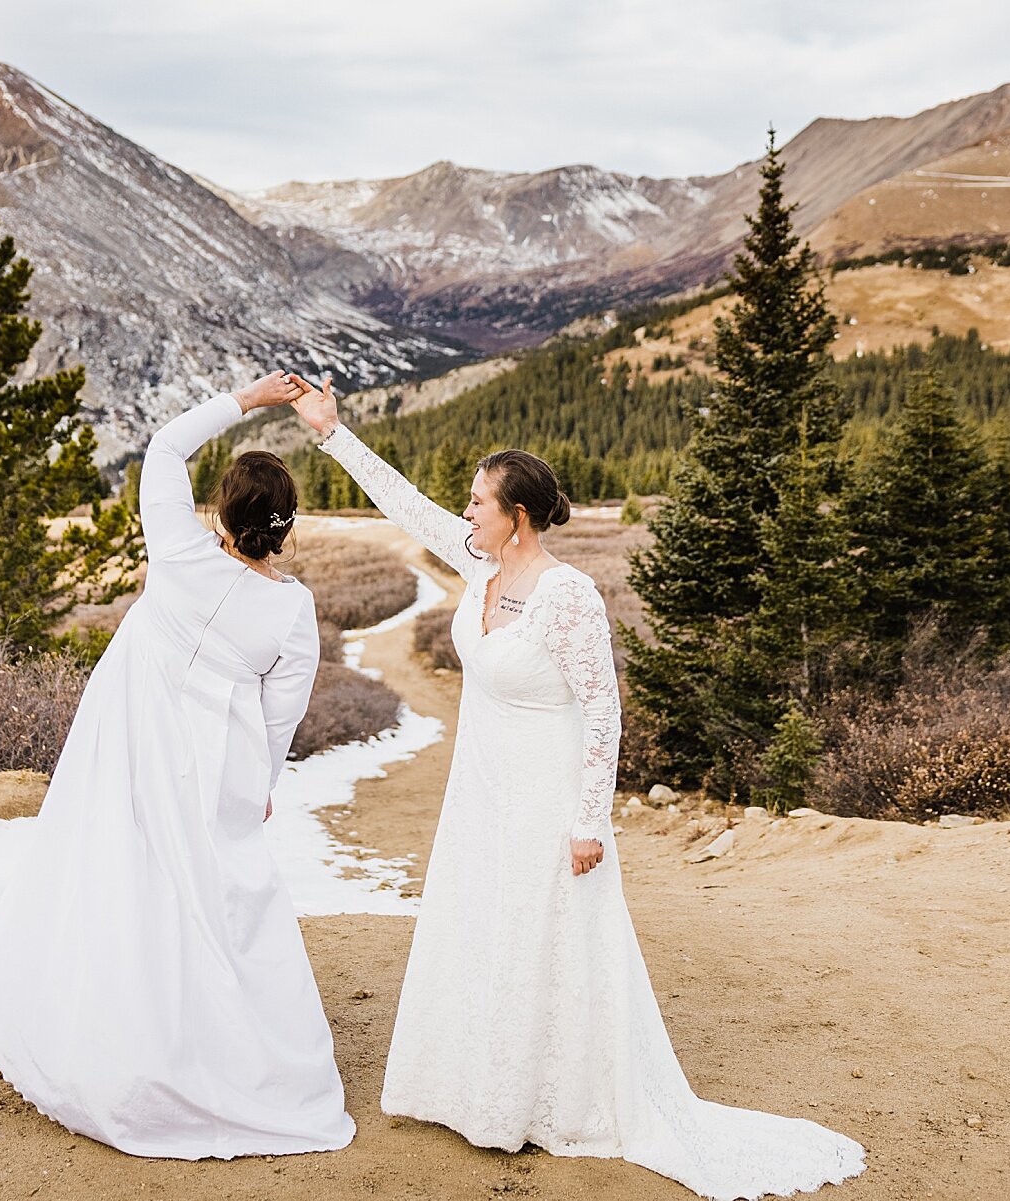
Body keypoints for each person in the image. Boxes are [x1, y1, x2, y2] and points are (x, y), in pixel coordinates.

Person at [290, 374, 865, 1198]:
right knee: (482, 925)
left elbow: (602, 708)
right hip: (481, 789)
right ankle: (469, 1089)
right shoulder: (475, 564)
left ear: (516, 515)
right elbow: (408, 506)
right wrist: (331, 433)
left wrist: (591, 818)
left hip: (548, 795)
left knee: (543, 934)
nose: (466, 514)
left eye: (479, 503)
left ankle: (540, 1099)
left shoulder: (568, 596)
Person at [0, 372, 355, 1159]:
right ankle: (229, 1059)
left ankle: (108, 1045)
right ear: (284, 529)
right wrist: (263, 788)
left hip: (126, 748)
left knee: (117, 890)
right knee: (219, 914)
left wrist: (247, 399)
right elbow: (282, 716)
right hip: (212, 773)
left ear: (219, 512)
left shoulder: (177, 550)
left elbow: (166, 445)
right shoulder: (292, 609)